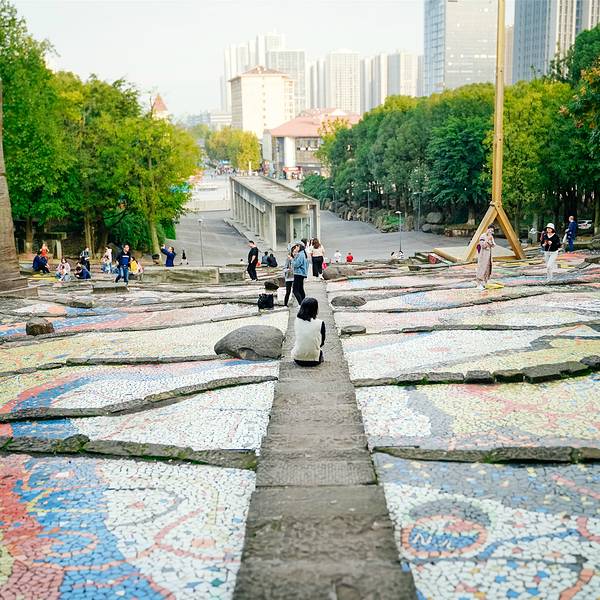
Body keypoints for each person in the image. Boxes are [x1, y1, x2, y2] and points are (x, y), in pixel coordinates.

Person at [291, 297, 325, 367]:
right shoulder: (320, 323)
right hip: (314, 360)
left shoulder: (296, 321)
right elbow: (322, 342)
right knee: (319, 351)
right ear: (315, 309)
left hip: (298, 359)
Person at [476, 226, 496, 291]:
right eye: (490, 230)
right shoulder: (482, 236)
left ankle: (485, 282)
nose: (491, 232)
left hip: (489, 255)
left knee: (488, 269)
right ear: (487, 229)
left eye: (492, 231)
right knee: (482, 268)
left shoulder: (491, 237)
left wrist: (491, 240)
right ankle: (479, 284)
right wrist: (487, 239)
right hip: (483, 255)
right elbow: (483, 245)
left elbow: (493, 245)